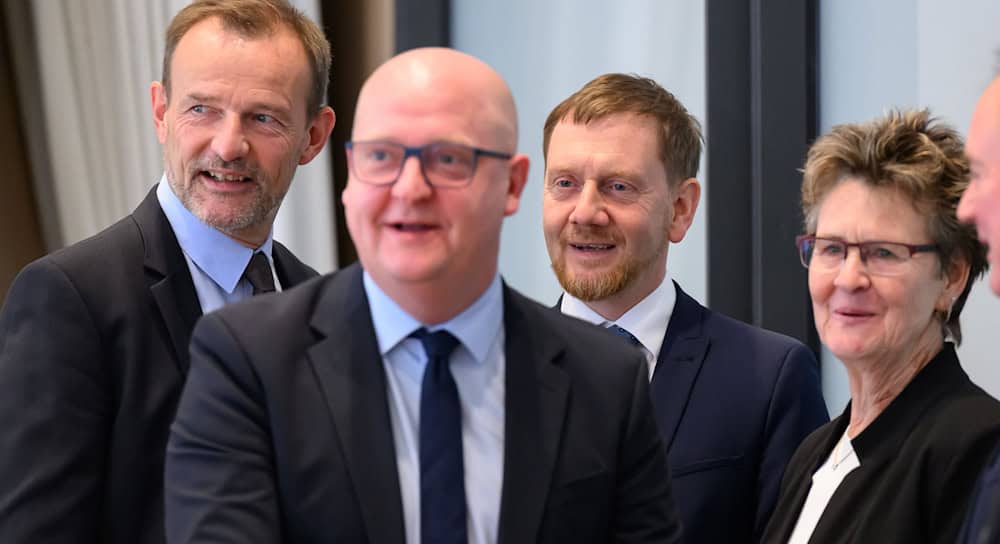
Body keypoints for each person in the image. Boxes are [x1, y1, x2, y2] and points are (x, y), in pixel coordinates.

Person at [164, 48, 683, 544]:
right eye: (382, 156)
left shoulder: (606, 378)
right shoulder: (249, 359)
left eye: (448, 159)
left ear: (512, 184)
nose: (410, 188)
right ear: (349, 177)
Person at [0, 0, 335, 543]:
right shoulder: (71, 299)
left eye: (263, 118)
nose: (229, 146)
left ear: (313, 137)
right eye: (201, 108)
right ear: (161, 112)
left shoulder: (324, 303)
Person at [541, 73, 828, 543]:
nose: (585, 212)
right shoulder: (491, 372)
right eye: (565, 183)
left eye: (618, 187)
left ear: (680, 209)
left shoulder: (768, 380)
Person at [761, 109, 1000, 543]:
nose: (849, 279)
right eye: (832, 249)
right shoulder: (813, 454)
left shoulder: (977, 447)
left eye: (883, 253)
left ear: (952, 276)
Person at [957, 76, 1000, 544]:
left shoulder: (971, 438)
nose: (965, 209)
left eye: (981, 174)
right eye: (830, 248)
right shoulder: (815, 454)